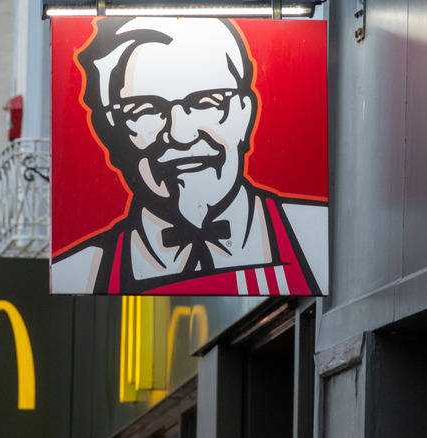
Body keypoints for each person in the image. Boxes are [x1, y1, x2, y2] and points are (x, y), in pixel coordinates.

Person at [52, 17, 327, 295]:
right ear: (110, 134)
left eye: (207, 102)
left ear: (246, 114)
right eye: (145, 109)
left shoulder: (320, 239)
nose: (181, 135)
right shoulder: (82, 271)